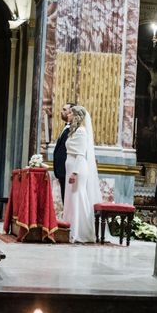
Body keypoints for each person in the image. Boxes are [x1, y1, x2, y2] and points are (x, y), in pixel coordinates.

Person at [63, 105, 102, 243]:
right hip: (71, 167)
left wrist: (74, 173)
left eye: (71, 114)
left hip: (77, 169)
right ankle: (69, 228)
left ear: (76, 116)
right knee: (71, 198)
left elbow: (80, 153)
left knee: (77, 197)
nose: (68, 115)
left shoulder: (81, 131)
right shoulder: (74, 131)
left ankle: (80, 232)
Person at [53, 103, 74, 202]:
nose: (62, 112)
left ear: (71, 112)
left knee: (67, 198)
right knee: (64, 197)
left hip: (67, 169)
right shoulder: (66, 127)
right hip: (61, 169)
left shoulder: (73, 129)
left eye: (64, 110)